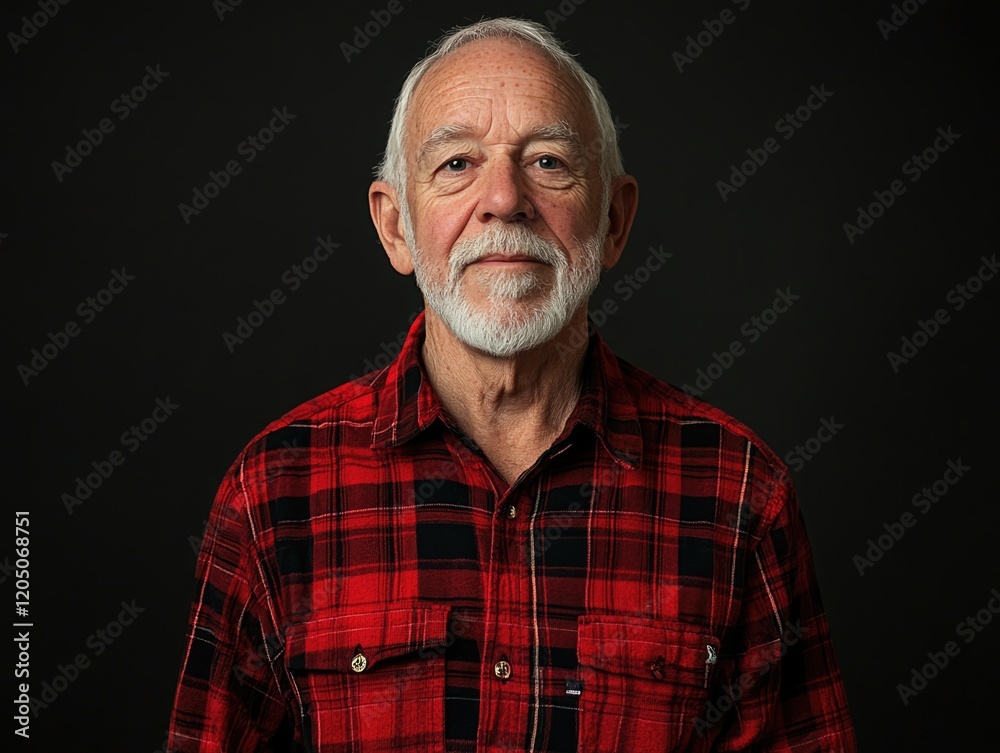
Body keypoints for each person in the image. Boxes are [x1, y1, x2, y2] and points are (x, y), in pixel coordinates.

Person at [166, 17, 857, 753]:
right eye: (457, 163)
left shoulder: (740, 493)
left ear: (614, 220)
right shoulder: (273, 492)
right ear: (396, 227)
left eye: (549, 162)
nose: (504, 198)